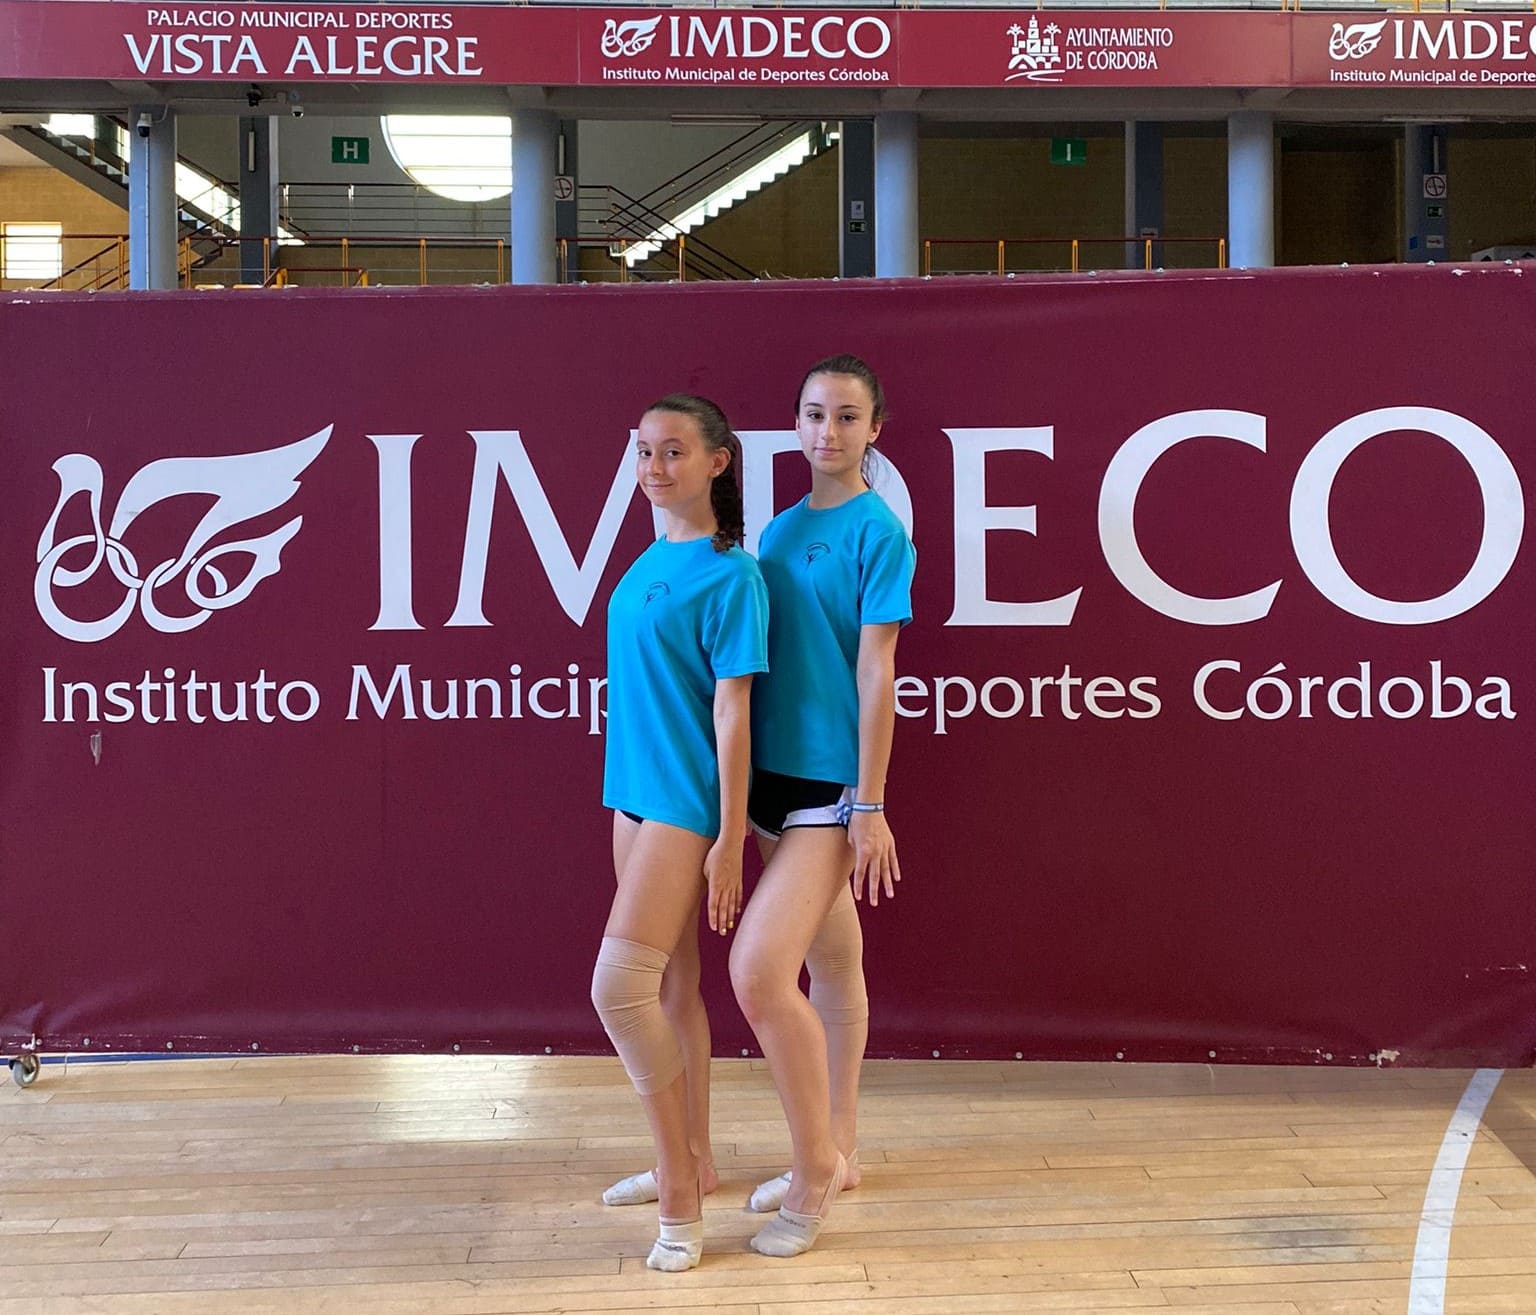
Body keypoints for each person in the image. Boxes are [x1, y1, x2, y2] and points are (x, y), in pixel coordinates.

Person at [730, 354, 916, 1257]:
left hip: (830, 789)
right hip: (764, 784)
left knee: (761, 973)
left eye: (846, 416)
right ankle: (842, 1149)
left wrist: (868, 803)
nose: (827, 431)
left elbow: (877, 671)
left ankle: (812, 1174)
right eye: (813, 414)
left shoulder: (880, 532)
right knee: (834, 961)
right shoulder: (777, 530)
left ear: (875, 428)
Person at [590, 393, 767, 1273]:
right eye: (643, 451)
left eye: (672, 451)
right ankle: (695, 1155)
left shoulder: (733, 576)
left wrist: (729, 836)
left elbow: (733, 715)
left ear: (717, 462)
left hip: (683, 805)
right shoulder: (648, 559)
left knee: (617, 991)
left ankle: (677, 1190)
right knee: (671, 987)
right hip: (630, 797)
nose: (654, 467)